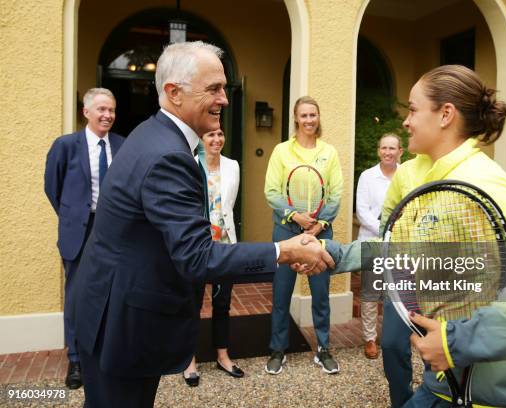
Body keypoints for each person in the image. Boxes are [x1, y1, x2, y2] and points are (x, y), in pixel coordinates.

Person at [72, 41, 334, 407]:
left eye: (224, 87)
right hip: (120, 326)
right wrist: (283, 251)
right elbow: (196, 257)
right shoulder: (168, 155)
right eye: (213, 89)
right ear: (173, 93)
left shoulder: (151, 134)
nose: (225, 99)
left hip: (107, 311)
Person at [326, 65, 506, 407]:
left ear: (445, 115)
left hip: (497, 394)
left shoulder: (483, 180)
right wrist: (333, 255)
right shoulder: (421, 174)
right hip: (442, 383)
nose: (406, 121)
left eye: (413, 109)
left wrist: (457, 341)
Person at [44, 88, 124, 390]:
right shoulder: (65, 146)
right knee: (77, 295)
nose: (107, 115)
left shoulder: (122, 144)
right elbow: (53, 188)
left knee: (111, 289)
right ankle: (76, 359)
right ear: (86, 112)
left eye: (112, 110)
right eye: (102, 109)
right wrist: (74, 216)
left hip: (112, 230)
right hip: (79, 230)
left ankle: (104, 349)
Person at [264, 96, 343, 375]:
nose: (309, 120)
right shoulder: (282, 151)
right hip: (286, 231)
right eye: (304, 115)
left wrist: (318, 225)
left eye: (313, 115)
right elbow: (272, 192)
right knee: (281, 294)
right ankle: (277, 350)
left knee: (321, 295)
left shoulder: (329, 153)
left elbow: (335, 194)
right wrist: (295, 216)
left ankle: (323, 349)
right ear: (296, 119)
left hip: (319, 233)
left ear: (318, 118)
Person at [182, 128, 244, 386]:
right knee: (192, 304)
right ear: (200, 139)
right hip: (197, 245)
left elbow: (228, 206)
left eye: (221, 134)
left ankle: (222, 354)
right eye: (211, 135)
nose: (217, 139)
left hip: (225, 245)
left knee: (222, 303)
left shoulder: (232, 166)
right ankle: (189, 360)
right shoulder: (189, 164)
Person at [356, 133, 403, 359]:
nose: (387, 152)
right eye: (384, 148)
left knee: (395, 293)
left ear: (400, 151)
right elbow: (363, 213)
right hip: (372, 242)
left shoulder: (406, 176)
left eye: (392, 148)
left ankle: (392, 336)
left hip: (399, 244)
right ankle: (370, 339)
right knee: (370, 292)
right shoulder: (367, 176)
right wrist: (387, 231)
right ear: (378, 151)